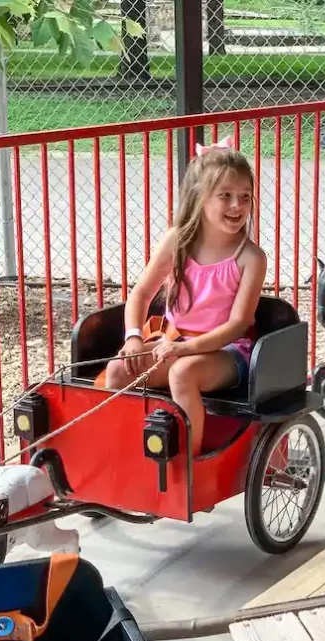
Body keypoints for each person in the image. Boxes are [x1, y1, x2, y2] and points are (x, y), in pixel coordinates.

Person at [102, 139, 267, 457]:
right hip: (174, 342)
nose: (237, 206)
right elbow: (141, 294)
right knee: (119, 370)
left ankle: (188, 465)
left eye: (244, 197)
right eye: (226, 196)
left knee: (183, 372)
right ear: (201, 198)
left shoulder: (250, 257)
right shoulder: (177, 240)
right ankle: (124, 452)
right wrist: (134, 337)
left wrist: (185, 349)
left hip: (227, 352)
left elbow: (238, 323)